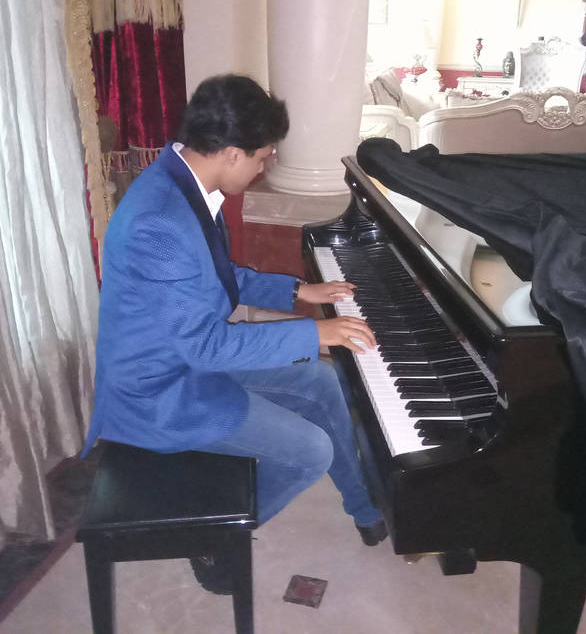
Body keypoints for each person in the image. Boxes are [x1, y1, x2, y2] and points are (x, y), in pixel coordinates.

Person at [82, 74, 386, 592]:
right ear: (229, 153)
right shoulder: (161, 223)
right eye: (262, 157)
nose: (264, 167)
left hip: (185, 362)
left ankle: (365, 504)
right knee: (311, 450)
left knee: (322, 382)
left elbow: (218, 276)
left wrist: (299, 292)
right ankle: (212, 538)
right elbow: (206, 346)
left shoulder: (183, 184)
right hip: (159, 393)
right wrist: (315, 333)